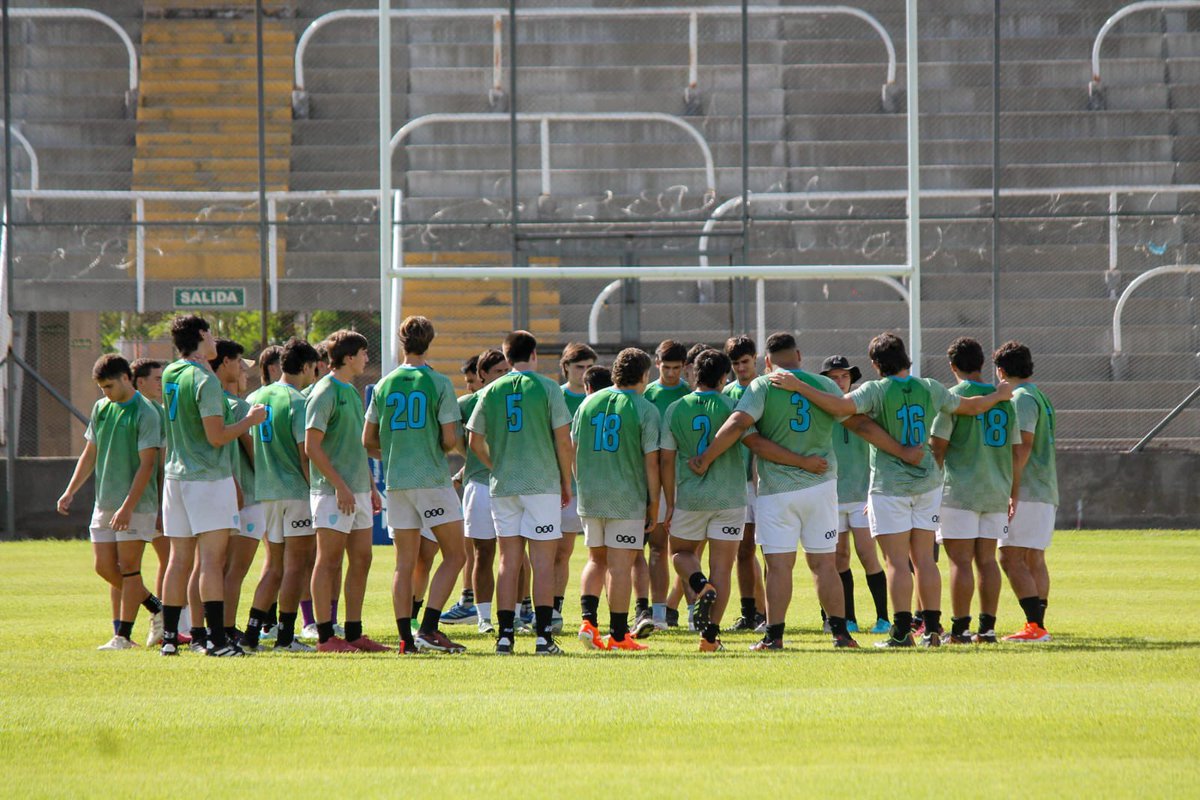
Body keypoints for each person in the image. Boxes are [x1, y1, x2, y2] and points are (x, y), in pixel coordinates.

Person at [771, 332, 1013, 648]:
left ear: (875, 363)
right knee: (925, 560)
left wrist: (798, 386)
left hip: (890, 485)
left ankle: (901, 632)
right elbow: (969, 406)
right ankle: (932, 630)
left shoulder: (876, 390)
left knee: (896, 562)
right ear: (904, 358)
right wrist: (999, 394)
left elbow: (839, 405)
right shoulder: (929, 386)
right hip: (927, 482)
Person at [695, 333, 916, 650]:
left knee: (779, 566)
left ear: (767, 361)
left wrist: (706, 457)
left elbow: (739, 425)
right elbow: (860, 425)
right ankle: (841, 634)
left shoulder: (762, 386)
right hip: (821, 487)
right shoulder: (824, 385)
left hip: (777, 491)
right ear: (798, 355)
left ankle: (774, 636)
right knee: (825, 564)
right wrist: (901, 450)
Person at [158, 315, 266, 657]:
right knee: (211, 561)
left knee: (178, 560)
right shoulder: (203, 378)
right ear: (202, 335)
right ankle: (217, 641)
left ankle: (171, 638)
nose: (214, 339)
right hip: (206, 477)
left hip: (176, 476)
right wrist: (250, 420)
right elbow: (216, 436)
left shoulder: (171, 372)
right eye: (211, 333)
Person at [363, 316, 466, 655]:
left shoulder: (384, 384)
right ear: (429, 342)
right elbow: (450, 439)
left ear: (401, 342)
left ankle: (405, 640)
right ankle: (429, 628)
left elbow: (368, 441)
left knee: (404, 563)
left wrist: (397, 451)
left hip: (397, 482)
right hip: (430, 479)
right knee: (456, 555)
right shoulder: (438, 382)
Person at [467, 330, 574, 655]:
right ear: (535, 354)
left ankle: (504, 637)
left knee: (507, 561)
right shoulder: (548, 387)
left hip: (504, 486)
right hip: (541, 485)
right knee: (542, 563)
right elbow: (563, 440)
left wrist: (496, 465)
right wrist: (565, 481)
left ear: (506, 356)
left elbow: (474, 441)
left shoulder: (492, 389)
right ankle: (543, 638)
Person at [57, 354, 165, 650]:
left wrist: (127, 507)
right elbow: (90, 453)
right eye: (102, 388)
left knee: (129, 568)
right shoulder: (101, 408)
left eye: (109, 386)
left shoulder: (147, 412)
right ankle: (157, 607)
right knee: (104, 567)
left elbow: (148, 465)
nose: (106, 392)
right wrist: (70, 490)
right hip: (104, 502)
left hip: (136, 505)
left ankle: (123, 636)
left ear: (127, 379)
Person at [927, 338, 1016, 645]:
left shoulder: (952, 398)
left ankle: (961, 630)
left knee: (960, 562)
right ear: (982, 363)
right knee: (987, 561)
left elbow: (938, 448)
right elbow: (1013, 447)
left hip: (960, 492)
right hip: (996, 490)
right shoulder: (1003, 399)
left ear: (953, 366)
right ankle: (987, 629)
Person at [573, 348, 660, 652]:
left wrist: (581, 484)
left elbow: (573, 449)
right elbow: (651, 462)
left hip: (590, 495)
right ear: (645, 375)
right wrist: (654, 502)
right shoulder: (645, 409)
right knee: (620, 566)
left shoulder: (588, 403)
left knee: (595, 560)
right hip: (625, 497)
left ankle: (588, 623)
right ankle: (620, 635)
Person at [305, 330, 386, 653]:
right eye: (363, 353)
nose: (367, 358)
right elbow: (311, 447)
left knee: (362, 558)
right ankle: (325, 636)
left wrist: (370, 486)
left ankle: (353, 633)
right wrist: (340, 486)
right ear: (349, 357)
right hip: (331, 492)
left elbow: (355, 445)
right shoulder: (323, 391)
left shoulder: (351, 391)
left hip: (359, 491)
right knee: (328, 561)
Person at [240, 338, 321, 652]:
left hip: (267, 492)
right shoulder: (298, 401)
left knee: (273, 564)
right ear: (305, 367)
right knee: (296, 566)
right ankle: (285, 638)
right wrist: (315, 490)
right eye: (313, 368)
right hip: (295, 492)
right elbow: (304, 454)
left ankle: (251, 634)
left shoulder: (257, 396)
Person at [821, 355, 891, 636]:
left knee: (867, 555)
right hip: (832, 496)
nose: (840, 382)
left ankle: (883, 618)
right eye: (834, 377)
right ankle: (847, 618)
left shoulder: (865, 408)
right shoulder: (822, 409)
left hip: (862, 495)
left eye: (844, 377)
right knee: (840, 558)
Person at [994, 341, 1057, 643]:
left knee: (1009, 556)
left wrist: (1012, 490)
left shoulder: (1021, 398)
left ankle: (1034, 625)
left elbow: (1022, 446)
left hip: (1028, 489)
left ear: (1000, 371)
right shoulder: (1040, 395)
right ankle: (1038, 626)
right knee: (1034, 557)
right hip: (1044, 488)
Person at [447, 349, 509, 635]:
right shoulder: (467, 403)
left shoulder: (516, 399)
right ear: (483, 375)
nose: (504, 376)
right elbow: (456, 439)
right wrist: (470, 463)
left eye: (506, 370)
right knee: (482, 552)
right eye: (498, 372)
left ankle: (520, 611)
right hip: (481, 484)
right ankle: (483, 616)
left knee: (515, 552)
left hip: (514, 485)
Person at [210, 339, 262, 647]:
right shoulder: (239, 407)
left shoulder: (214, 402)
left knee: (216, 567)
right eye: (241, 367)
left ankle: (212, 628)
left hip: (221, 493)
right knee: (235, 571)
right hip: (248, 496)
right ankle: (228, 628)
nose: (245, 373)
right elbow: (254, 455)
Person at [639, 339, 690, 631]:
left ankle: (691, 612)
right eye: (666, 367)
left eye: (676, 368)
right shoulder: (647, 394)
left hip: (685, 481)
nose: (671, 373)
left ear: (684, 367)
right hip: (655, 481)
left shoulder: (690, 394)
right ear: (657, 364)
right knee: (657, 548)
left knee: (686, 551)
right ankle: (658, 614)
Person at [721, 335, 767, 632]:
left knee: (768, 549)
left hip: (763, 481)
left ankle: (768, 613)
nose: (740, 368)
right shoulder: (727, 392)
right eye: (736, 363)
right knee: (743, 549)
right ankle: (749, 613)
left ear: (756, 359)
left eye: (745, 362)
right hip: (735, 481)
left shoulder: (766, 389)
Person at [556, 342, 597, 632]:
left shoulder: (599, 399)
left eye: (588, 367)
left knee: (590, 553)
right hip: (561, 487)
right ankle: (548, 608)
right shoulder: (556, 397)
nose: (583, 373)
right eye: (578, 367)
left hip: (592, 486)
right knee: (556, 551)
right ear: (566, 368)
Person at [130, 357, 170, 628]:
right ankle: (160, 616)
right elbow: (157, 465)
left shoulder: (160, 411)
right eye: (157, 379)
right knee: (127, 568)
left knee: (165, 559)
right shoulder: (148, 413)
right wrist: (158, 506)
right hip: (142, 501)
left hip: (149, 499)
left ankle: (161, 622)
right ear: (139, 382)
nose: (161, 384)